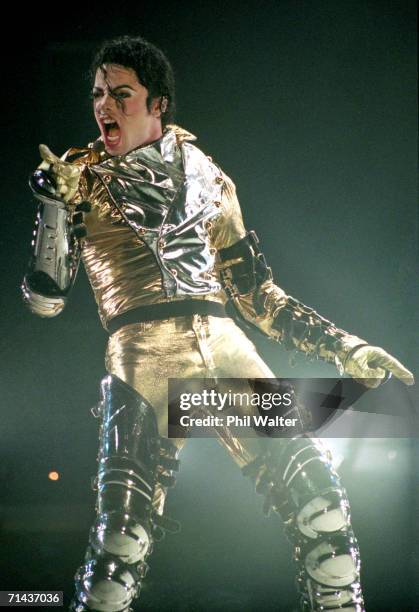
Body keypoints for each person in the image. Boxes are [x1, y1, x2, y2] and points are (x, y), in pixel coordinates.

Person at [22, 35, 414, 612]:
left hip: (225, 353)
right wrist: (55, 207)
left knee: (325, 518)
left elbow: (257, 294)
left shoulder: (209, 176)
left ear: (158, 104)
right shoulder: (76, 175)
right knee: (117, 556)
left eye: (121, 94)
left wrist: (347, 348)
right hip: (143, 354)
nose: (104, 105)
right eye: (99, 93)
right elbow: (46, 300)